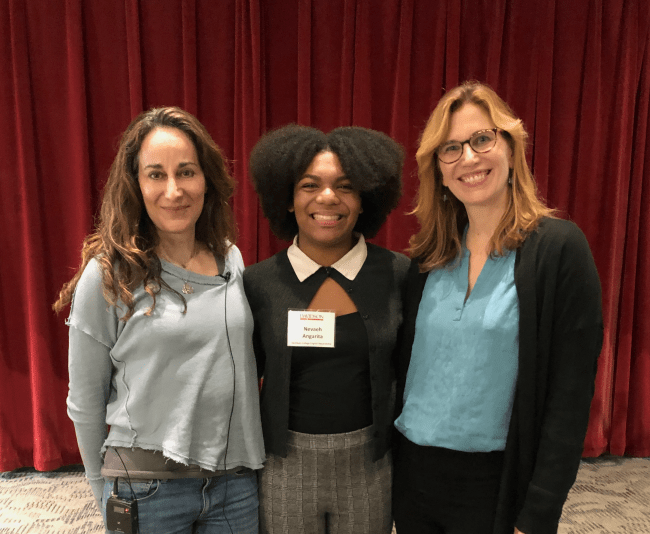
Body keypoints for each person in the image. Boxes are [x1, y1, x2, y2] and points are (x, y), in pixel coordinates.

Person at [392, 81, 603, 534]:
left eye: (482, 139)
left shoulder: (559, 250)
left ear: (511, 147)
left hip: (496, 483)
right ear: (438, 171)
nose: (468, 158)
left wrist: (540, 511)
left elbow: (570, 396)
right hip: (414, 479)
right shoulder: (426, 259)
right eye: (450, 149)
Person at [53, 107, 265, 534]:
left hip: (235, 484)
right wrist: (101, 489)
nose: (174, 190)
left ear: (206, 179)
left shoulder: (231, 258)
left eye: (186, 172)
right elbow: (85, 399)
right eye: (156, 175)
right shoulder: (108, 273)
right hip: (145, 487)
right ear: (135, 184)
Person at [244, 125, 409, 534]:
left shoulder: (400, 275)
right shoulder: (259, 283)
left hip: (371, 464)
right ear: (287, 198)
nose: (328, 198)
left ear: (365, 198)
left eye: (345, 186)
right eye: (309, 185)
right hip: (285, 465)